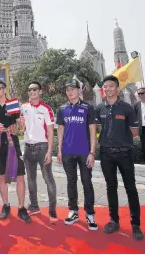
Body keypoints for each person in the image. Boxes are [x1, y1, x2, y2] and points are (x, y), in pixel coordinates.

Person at [95, 75, 144, 240]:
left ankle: (136, 224)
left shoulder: (127, 108)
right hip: (106, 153)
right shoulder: (99, 108)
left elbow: (135, 132)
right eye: (105, 86)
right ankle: (114, 220)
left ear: (117, 88)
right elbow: (94, 129)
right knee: (111, 187)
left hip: (124, 153)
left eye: (110, 86)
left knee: (131, 188)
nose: (107, 89)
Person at [0, 78, 31, 223]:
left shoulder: (13, 106)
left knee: (20, 176)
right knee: (1, 177)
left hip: (13, 144)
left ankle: (21, 208)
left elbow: (21, 128)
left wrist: (21, 124)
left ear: (4, 90)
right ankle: (6, 205)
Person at [56, 79, 98, 231]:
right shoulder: (62, 109)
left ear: (79, 90)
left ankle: (90, 214)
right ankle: (73, 211)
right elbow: (60, 130)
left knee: (87, 182)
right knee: (71, 182)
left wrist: (92, 152)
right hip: (67, 152)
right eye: (67, 89)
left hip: (84, 152)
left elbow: (93, 131)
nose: (70, 92)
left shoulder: (88, 108)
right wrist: (59, 150)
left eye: (73, 89)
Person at [20, 81, 57, 221]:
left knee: (48, 179)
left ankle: (52, 210)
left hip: (42, 148)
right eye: (29, 90)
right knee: (30, 179)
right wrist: (19, 124)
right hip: (28, 147)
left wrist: (49, 151)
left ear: (40, 92)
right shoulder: (23, 108)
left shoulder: (46, 109)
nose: (32, 92)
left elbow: (50, 131)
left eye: (35, 89)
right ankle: (34, 205)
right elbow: (20, 125)